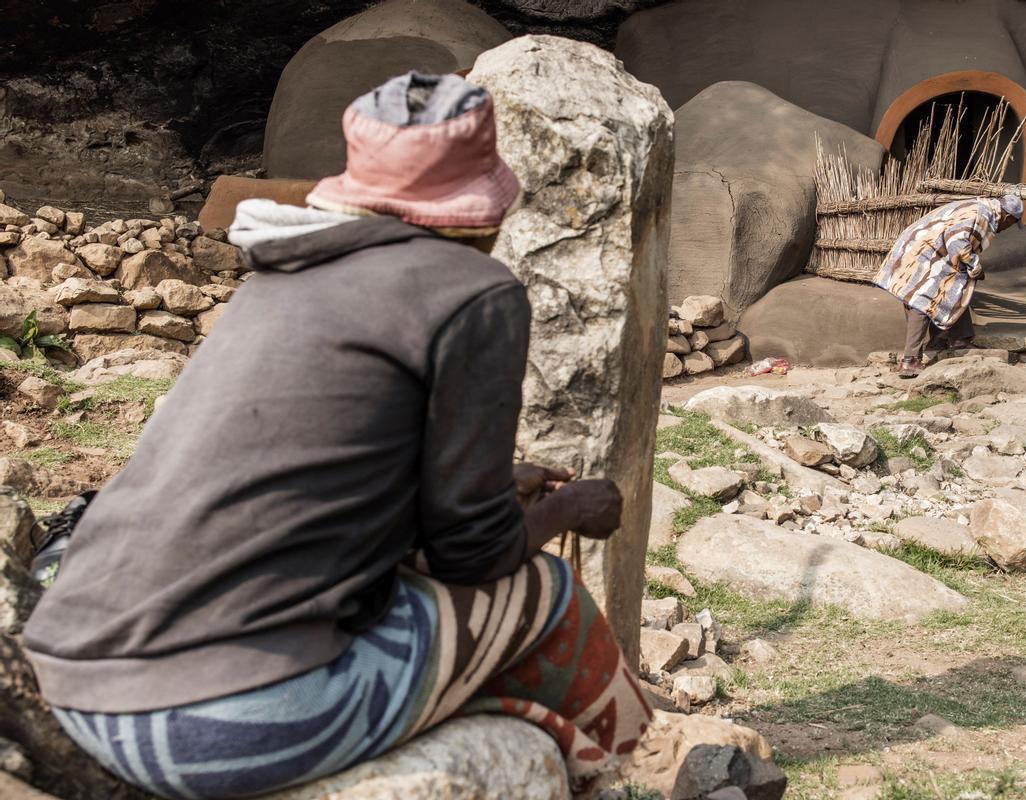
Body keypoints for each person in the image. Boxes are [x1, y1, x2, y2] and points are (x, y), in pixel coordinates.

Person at [22, 72, 652, 799]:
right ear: (482, 210)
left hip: (78, 689)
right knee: (547, 593)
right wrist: (566, 512)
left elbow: (316, 487)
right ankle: (648, 775)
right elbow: (472, 555)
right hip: (219, 725)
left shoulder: (282, 277)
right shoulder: (472, 292)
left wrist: (498, 485)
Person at [874, 194, 1024, 378]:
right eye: (1011, 224)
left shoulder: (981, 208)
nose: (1006, 228)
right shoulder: (981, 213)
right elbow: (958, 241)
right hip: (923, 252)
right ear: (1008, 217)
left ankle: (955, 340)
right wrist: (975, 265)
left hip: (925, 246)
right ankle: (910, 361)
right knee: (923, 301)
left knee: (954, 289)